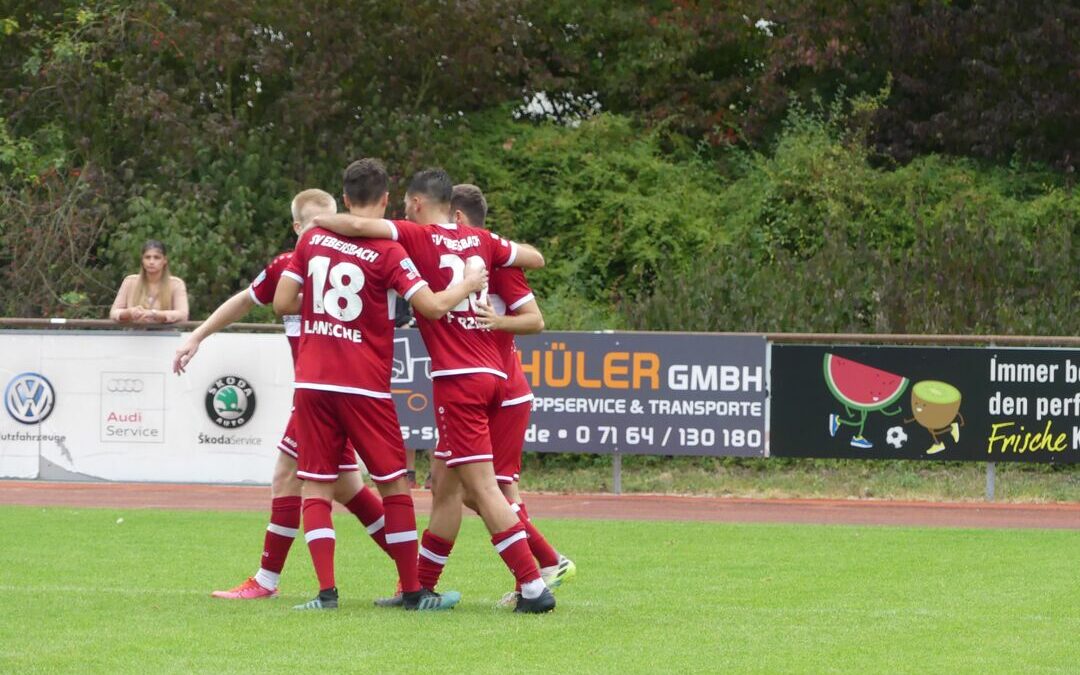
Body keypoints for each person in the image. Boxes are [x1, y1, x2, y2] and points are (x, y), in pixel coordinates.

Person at [314, 168, 556, 613]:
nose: (403, 210)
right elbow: (535, 258)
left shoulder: (417, 236)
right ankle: (419, 588)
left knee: (484, 489)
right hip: (492, 372)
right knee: (445, 486)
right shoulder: (482, 240)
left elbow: (359, 225)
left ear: (420, 204)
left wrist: (316, 222)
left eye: (406, 203)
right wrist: (494, 259)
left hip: (458, 380)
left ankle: (534, 586)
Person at [274, 159, 487, 611]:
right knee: (393, 485)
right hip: (365, 384)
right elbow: (430, 307)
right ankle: (412, 591)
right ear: (387, 199)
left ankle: (326, 593)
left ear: (344, 197)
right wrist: (468, 283)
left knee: (315, 485)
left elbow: (281, 301)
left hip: (313, 379)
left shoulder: (312, 238)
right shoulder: (391, 252)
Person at [172, 189, 400, 600]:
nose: (328, 230)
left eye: (333, 220)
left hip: (332, 393)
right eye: (316, 224)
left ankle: (267, 580)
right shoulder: (288, 267)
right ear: (298, 228)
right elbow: (245, 300)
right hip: (323, 395)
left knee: (286, 477)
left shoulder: (350, 264)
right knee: (348, 488)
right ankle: (414, 573)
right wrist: (198, 336)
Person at [450, 184, 576, 607]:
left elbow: (536, 320)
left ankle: (544, 565)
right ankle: (542, 567)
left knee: (484, 490)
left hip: (505, 392)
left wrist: (497, 322)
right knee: (482, 489)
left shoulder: (496, 263)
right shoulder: (465, 262)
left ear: (459, 219)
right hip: (492, 390)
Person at [110, 240, 189, 324]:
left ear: (164, 260)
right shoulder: (130, 281)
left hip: (166, 335)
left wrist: (154, 314)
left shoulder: (176, 284)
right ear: (142, 260)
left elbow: (183, 315)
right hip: (134, 334)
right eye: (147, 257)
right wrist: (129, 313)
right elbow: (114, 313)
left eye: (156, 257)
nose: (151, 262)